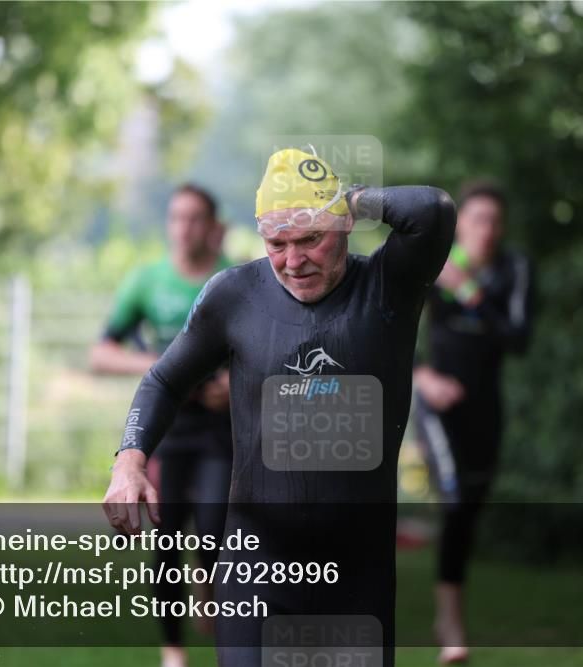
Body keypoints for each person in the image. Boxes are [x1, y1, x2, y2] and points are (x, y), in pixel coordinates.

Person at [102, 147, 455, 666]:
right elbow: (163, 379)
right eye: (277, 243)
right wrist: (129, 458)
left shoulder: (387, 288)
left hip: (356, 572)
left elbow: (433, 210)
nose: (294, 261)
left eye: (311, 238)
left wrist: (349, 199)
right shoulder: (235, 294)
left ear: (342, 227)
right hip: (256, 564)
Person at [90, 184, 233, 667]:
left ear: (212, 226)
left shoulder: (232, 279)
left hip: (221, 426)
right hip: (167, 427)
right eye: (176, 217)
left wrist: (234, 383)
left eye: (195, 218)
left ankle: (209, 580)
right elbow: (101, 352)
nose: (184, 227)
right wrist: (157, 368)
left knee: (214, 528)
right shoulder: (146, 281)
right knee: (168, 537)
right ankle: (173, 652)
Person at [412, 179, 534, 664]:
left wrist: (471, 294)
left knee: (467, 515)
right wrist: (422, 378)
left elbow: (518, 340)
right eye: (477, 219)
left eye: (495, 222)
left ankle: (448, 616)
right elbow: (389, 331)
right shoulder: (434, 265)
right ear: (460, 223)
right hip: (436, 403)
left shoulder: (513, 270)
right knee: (456, 498)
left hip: (486, 407)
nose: (486, 230)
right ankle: (452, 628)